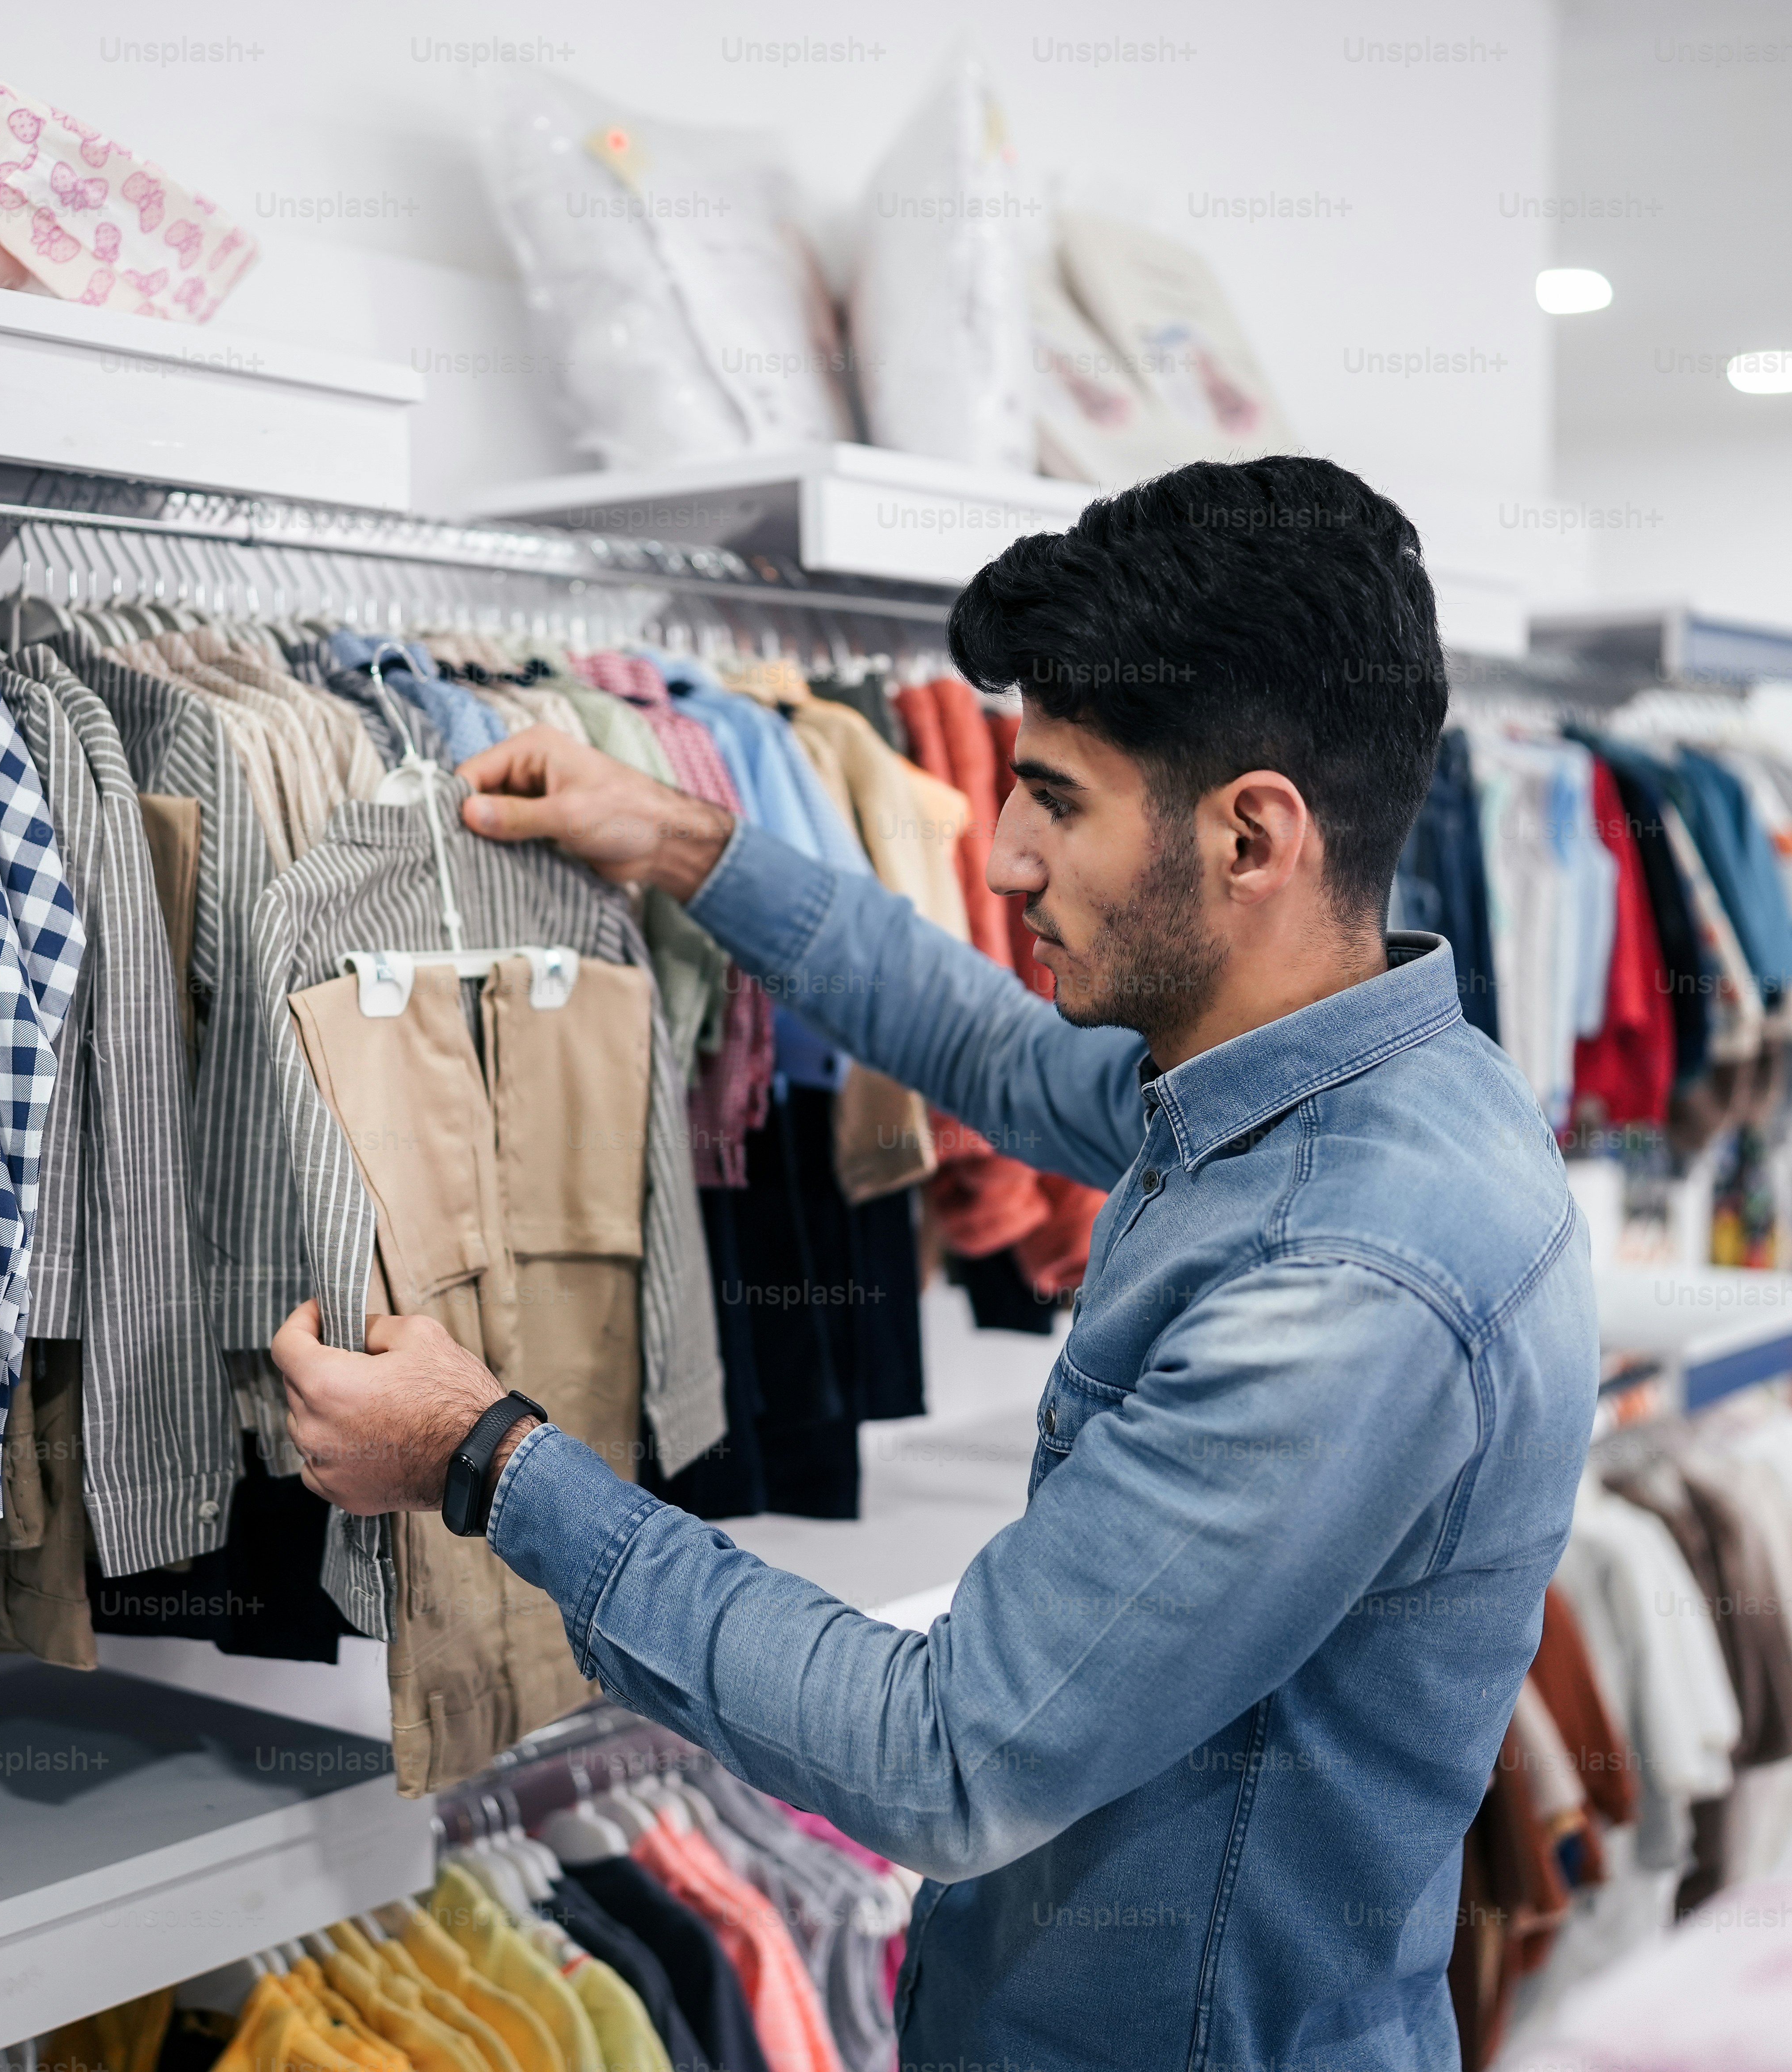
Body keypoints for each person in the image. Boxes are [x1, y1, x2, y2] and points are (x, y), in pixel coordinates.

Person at [269, 456, 1596, 2072]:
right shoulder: (1342, 1070)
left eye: (1059, 800)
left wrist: (490, 1461)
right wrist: (687, 837)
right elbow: (1002, 1056)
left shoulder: (1355, 1275)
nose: (1004, 856)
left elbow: (948, 1756)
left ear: (1255, 835)